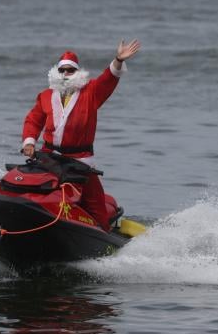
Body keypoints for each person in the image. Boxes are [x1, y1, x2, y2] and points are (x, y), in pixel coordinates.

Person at [21, 39, 141, 231]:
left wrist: (118, 59)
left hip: (80, 162)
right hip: (49, 158)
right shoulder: (45, 95)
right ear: (56, 72)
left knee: (97, 208)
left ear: (78, 73)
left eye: (70, 70)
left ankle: (103, 232)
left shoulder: (91, 92)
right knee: (35, 190)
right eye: (62, 70)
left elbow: (108, 79)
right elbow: (33, 120)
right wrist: (29, 142)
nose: (66, 74)